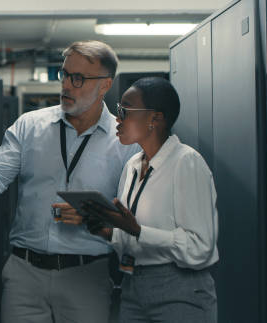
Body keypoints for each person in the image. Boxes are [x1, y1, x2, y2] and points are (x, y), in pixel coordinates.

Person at [0, 40, 140, 323]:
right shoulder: (30, 126)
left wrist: (95, 216)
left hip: (87, 275)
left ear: (104, 85)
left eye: (78, 79)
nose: (66, 85)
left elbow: (135, 217)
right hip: (25, 274)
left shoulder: (124, 142)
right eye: (64, 74)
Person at [82, 77, 219, 323]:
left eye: (126, 111)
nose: (118, 119)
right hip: (134, 286)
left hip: (179, 291)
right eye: (118, 111)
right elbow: (133, 237)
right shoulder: (133, 166)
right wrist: (109, 232)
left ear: (155, 119)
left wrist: (137, 230)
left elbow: (200, 247)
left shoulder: (186, 162)